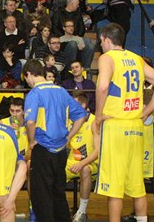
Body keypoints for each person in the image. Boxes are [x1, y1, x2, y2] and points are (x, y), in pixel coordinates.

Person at [93, 23, 154, 222]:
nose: (101, 45)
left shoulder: (107, 58)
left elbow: (102, 87)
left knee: (114, 188)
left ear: (108, 40)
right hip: (136, 126)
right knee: (137, 185)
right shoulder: (137, 59)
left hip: (115, 125)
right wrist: (146, 111)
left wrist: (98, 115)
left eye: (101, 41)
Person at [21, 59, 87, 221]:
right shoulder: (61, 91)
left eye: (26, 78)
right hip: (60, 151)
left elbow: (30, 121)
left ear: (28, 74)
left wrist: (31, 142)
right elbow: (81, 116)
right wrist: (68, 137)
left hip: (43, 149)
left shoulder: (35, 93)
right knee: (58, 194)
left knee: (41, 197)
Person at [65, 91, 99, 222]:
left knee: (85, 170)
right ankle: (61, 209)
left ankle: (82, 212)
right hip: (71, 161)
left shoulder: (94, 122)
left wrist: (82, 163)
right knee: (53, 170)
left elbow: (97, 152)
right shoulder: (69, 120)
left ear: (84, 105)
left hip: (91, 163)